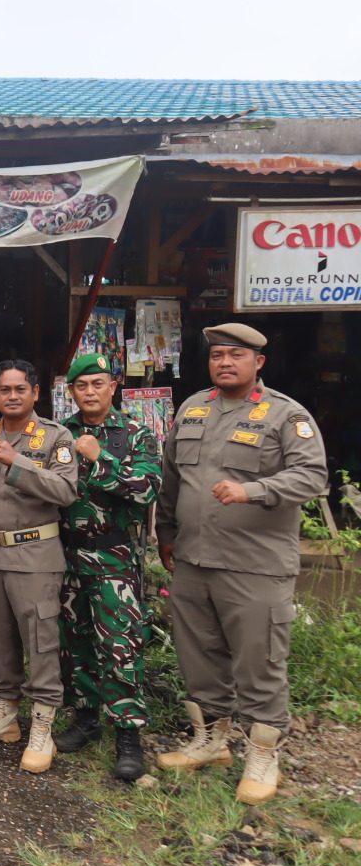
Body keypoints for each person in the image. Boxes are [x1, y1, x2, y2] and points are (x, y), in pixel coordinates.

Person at [156, 323, 327, 805]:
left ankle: (262, 754)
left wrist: (253, 489)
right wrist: (165, 532)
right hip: (193, 559)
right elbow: (173, 478)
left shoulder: (285, 416)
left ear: (258, 362)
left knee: (259, 662)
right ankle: (210, 741)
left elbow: (313, 476)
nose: (225, 362)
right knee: (198, 654)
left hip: (254, 565)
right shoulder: (193, 408)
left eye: (235, 355)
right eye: (217, 356)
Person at [0, 359, 77, 773]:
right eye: (4, 390)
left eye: (20, 389)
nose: (12, 396)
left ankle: (42, 729)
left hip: (37, 555)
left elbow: (65, 490)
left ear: (36, 393)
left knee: (41, 642)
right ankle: (4, 716)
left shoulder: (56, 437)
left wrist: (17, 462)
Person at [53, 352, 161, 782]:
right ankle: (85, 719)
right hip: (68, 556)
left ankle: (128, 736)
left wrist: (101, 459)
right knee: (74, 642)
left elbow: (147, 490)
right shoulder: (61, 433)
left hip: (114, 558)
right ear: (72, 391)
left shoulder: (134, 433)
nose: (91, 392)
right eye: (82, 386)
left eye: (98, 383)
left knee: (120, 647)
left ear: (113, 386)